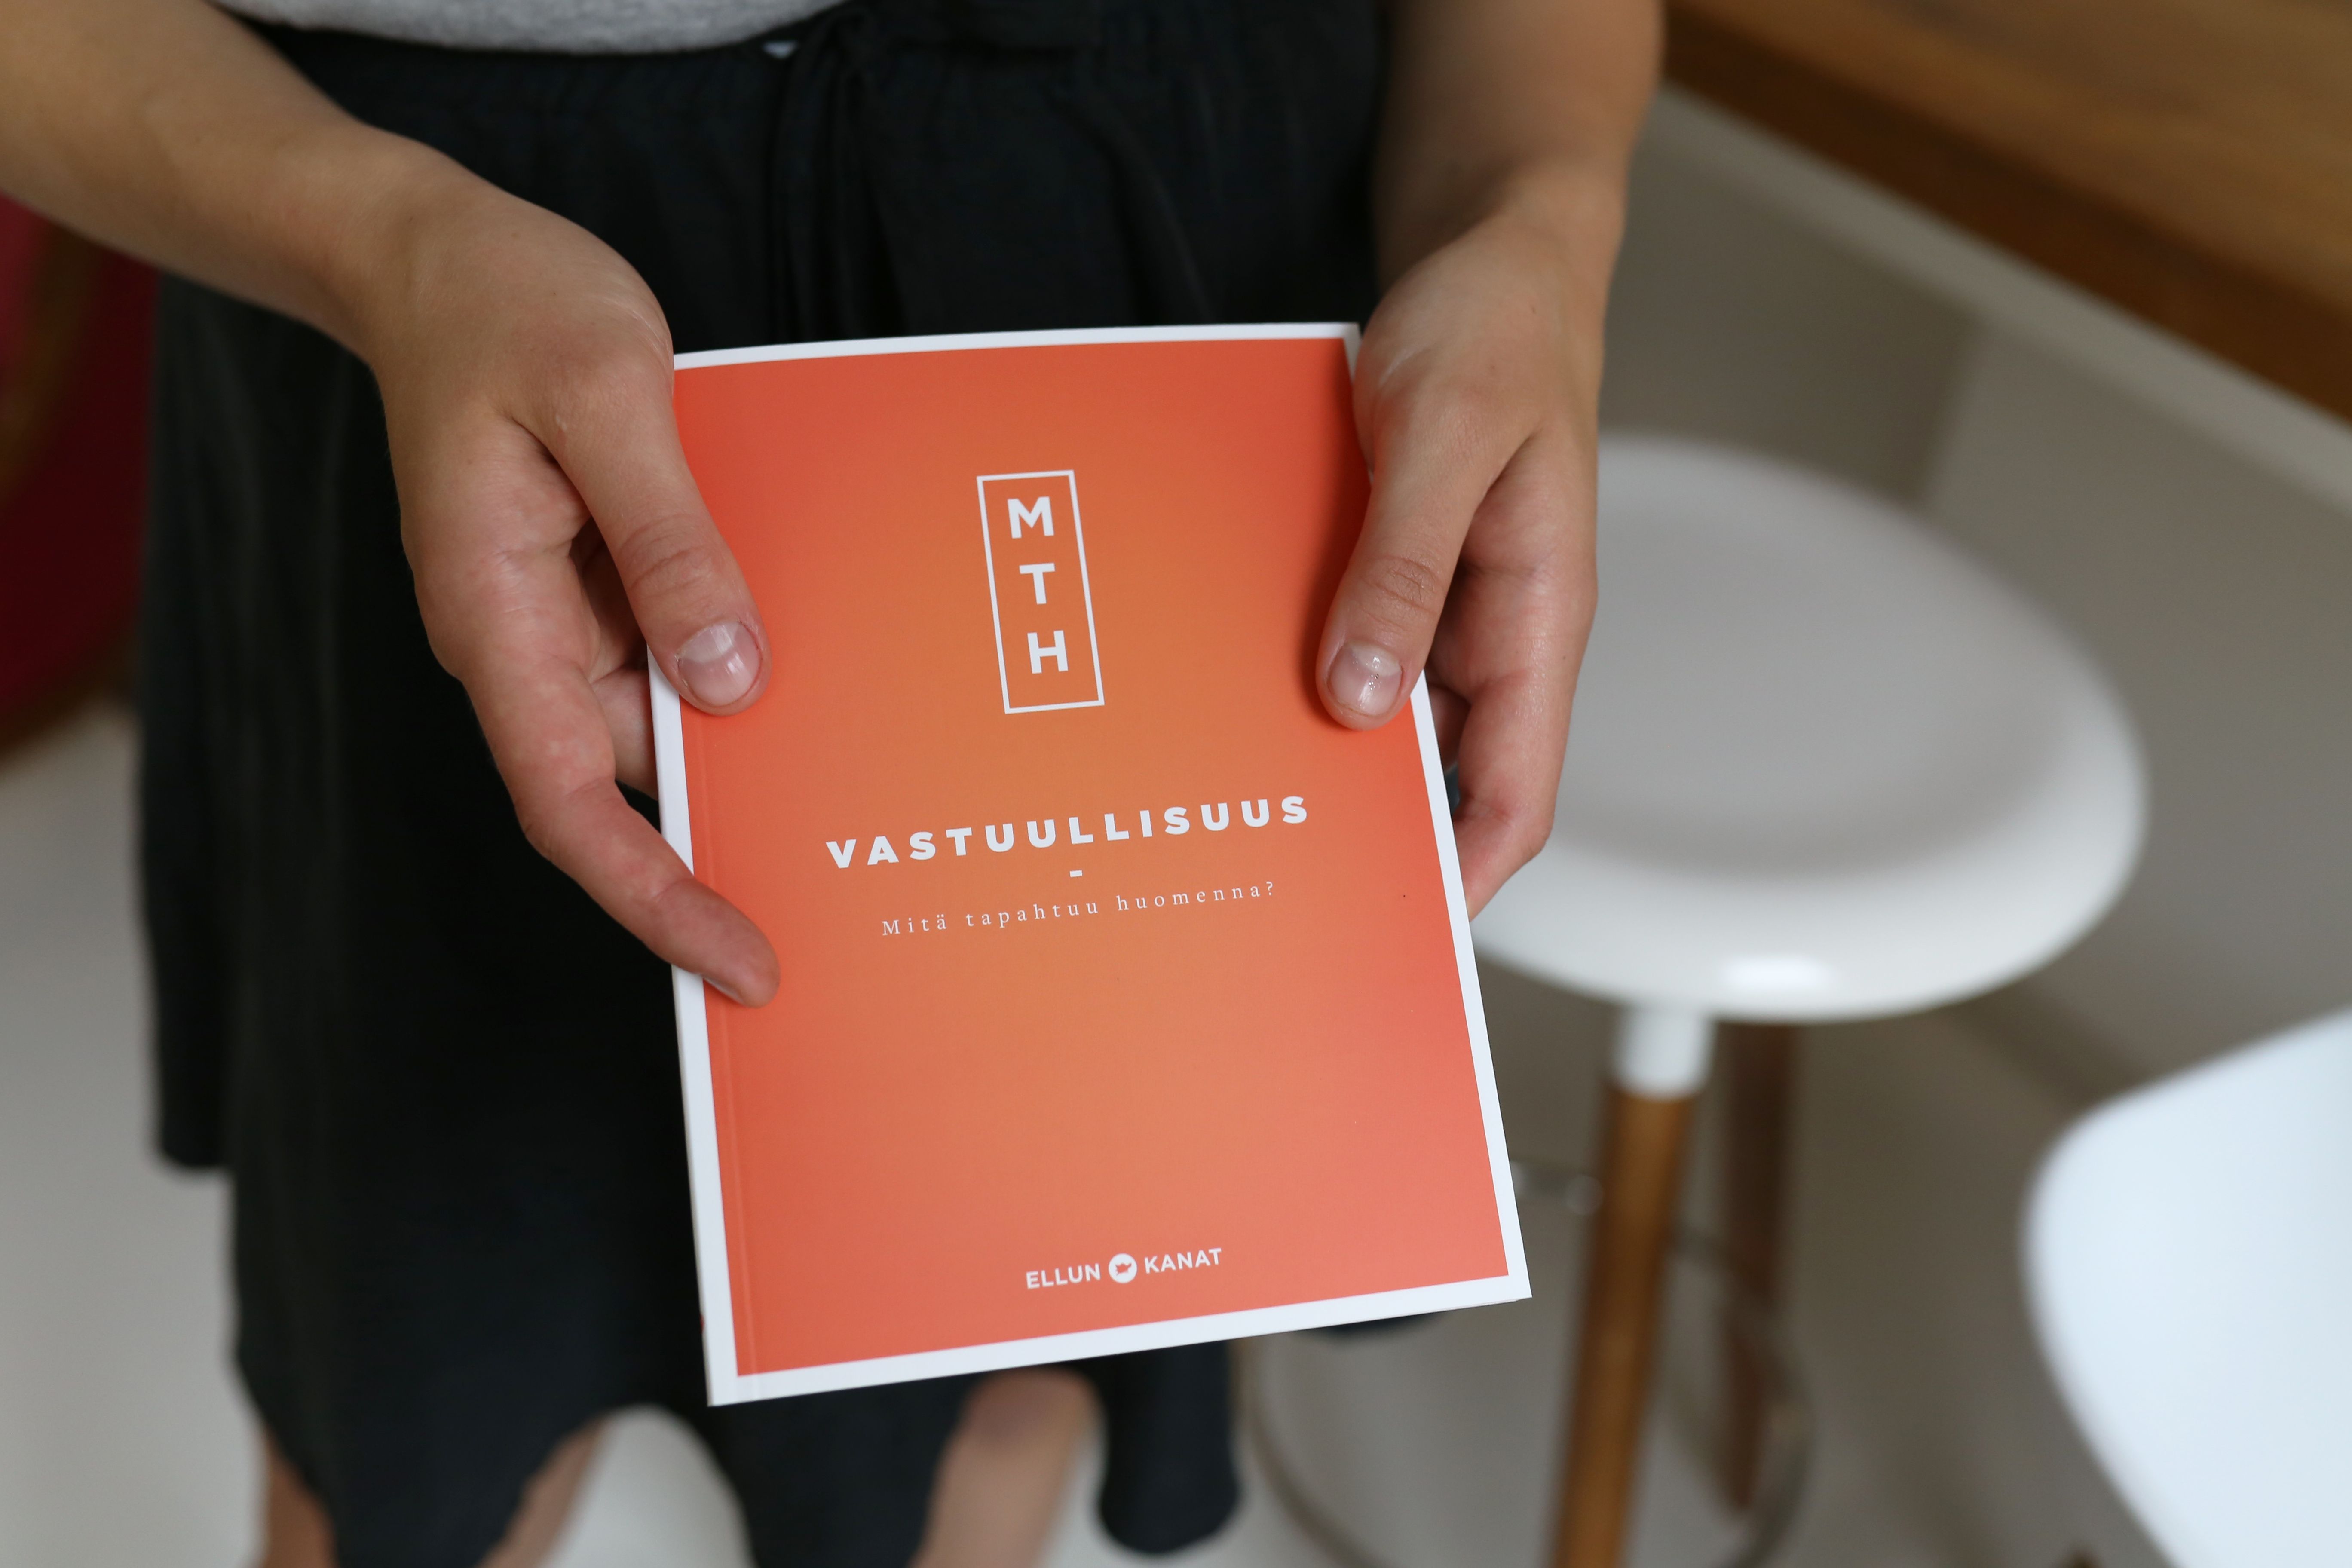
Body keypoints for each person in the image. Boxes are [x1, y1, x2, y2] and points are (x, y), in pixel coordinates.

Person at [0, 0, 1657, 1563]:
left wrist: (1538, 223)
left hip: (1182, 308)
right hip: (445, 299)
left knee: (1022, 1340)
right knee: (422, 1379)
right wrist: (379, 241)